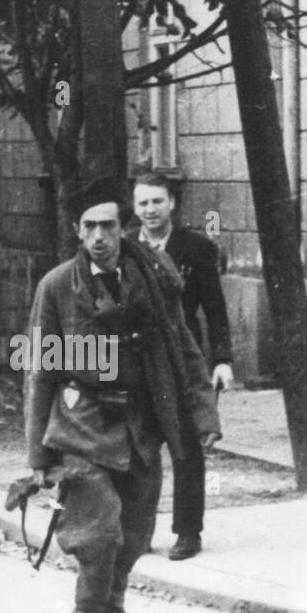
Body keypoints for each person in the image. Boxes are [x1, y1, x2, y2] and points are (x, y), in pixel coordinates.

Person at [24, 176, 220, 613]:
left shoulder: (151, 278)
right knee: (99, 538)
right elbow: (41, 371)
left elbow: (183, 347)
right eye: (87, 226)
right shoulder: (58, 286)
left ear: (122, 227)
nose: (98, 236)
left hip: (140, 429)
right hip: (83, 428)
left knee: (131, 542)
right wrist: (37, 453)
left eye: (107, 225)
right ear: (76, 230)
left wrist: (202, 415)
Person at [129, 172, 233, 560]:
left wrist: (222, 360)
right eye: (142, 203)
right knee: (140, 450)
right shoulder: (123, 247)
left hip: (181, 364)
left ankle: (188, 532)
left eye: (157, 201)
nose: (150, 210)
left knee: (187, 448)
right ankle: (139, 532)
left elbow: (215, 309)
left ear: (172, 203)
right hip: (138, 363)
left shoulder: (196, 248)